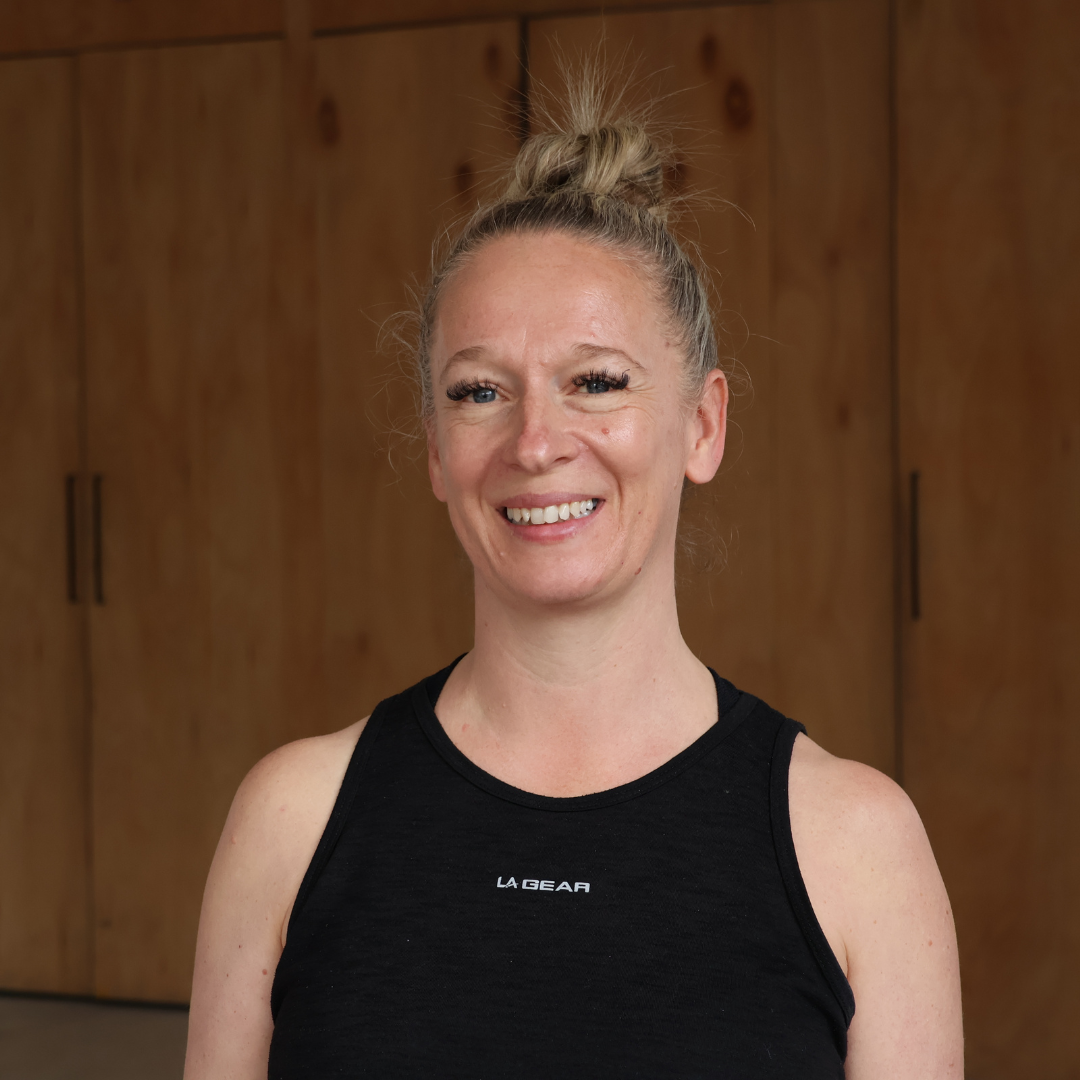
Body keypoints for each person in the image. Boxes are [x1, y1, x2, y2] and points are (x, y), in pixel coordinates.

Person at [184, 87, 963, 1079]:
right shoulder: (292, 819)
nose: (537, 442)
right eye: (479, 391)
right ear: (434, 447)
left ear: (703, 424)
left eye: (596, 381)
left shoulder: (859, 847)